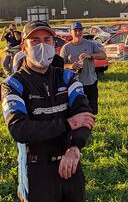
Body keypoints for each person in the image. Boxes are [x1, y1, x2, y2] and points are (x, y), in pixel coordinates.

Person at [1, 20, 95, 202]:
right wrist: (67, 123)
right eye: (35, 40)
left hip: (71, 163)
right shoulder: (13, 84)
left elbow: (85, 116)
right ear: (24, 47)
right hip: (38, 170)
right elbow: (20, 129)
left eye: (47, 40)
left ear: (54, 44)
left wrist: (75, 147)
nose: (42, 45)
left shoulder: (67, 77)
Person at [60, 22, 107, 115]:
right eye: (75, 30)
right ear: (71, 32)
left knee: (92, 110)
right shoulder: (66, 48)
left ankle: (91, 126)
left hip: (90, 82)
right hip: (73, 84)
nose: (78, 32)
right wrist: (70, 66)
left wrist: (90, 55)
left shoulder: (90, 44)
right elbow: (59, 65)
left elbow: (103, 55)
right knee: (76, 110)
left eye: (80, 30)